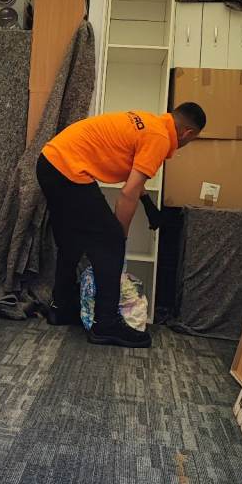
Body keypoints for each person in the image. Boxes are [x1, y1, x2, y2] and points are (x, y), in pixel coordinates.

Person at [37, 103, 207, 348]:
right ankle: (106, 324)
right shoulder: (160, 138)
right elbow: (128, 193)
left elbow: (133, 173)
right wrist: (119, 239)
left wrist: (148, 206)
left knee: (71, 241)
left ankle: (60, 308)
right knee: (111, 243)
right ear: (187, 134)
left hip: (49, 162)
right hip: (68, 170)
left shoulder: (151, 123)